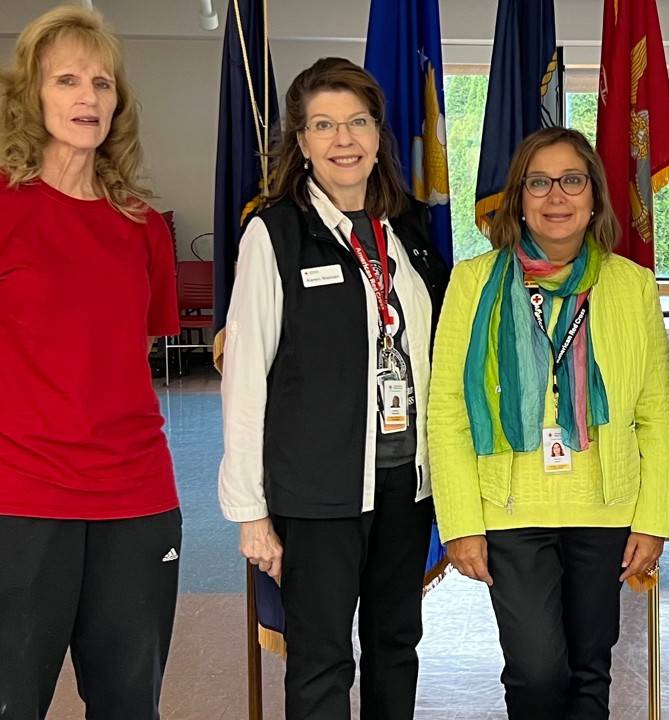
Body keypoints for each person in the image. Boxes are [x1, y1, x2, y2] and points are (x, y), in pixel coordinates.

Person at [0, 7, 180, 718]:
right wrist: (22, 437)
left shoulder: (141, 227)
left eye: (102, 83)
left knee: (131, 703)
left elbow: (132, 352)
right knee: (2, 702)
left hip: (137, 497)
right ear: (30, 98)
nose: (87, 97)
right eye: (66, 80)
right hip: (16, 498)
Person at [216, 57, 448, 719]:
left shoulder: (408, 234)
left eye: (356, 122)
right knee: (320, 659)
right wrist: (251, 511)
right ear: (303, 142)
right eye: (324, 125)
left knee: (396, 645)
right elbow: (245, 376)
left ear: (378, 135)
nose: (343, 139)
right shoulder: (275, 233)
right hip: (318, 495)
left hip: (406, 486)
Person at [428, 127, 669, 720]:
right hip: (511, 506)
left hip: (608, 505)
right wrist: (459, 523)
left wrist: (655, 519)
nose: (556, 196)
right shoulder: (472, 282)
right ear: (518, 198)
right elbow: (447, 410)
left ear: (593, 197)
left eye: (572, 180)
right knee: (537, 671)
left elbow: (656, 412)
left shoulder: (631, 284)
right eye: (538, 182)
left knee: (591, 670)